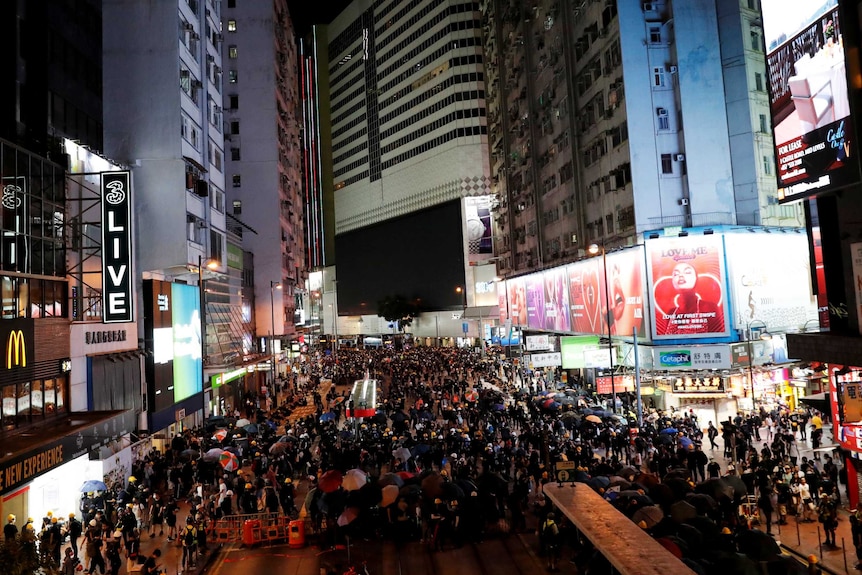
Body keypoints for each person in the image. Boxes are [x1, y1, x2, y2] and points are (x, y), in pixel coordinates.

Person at [662, 262, 725, 335]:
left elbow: (719, 337)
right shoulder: (670, 313)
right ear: (672, 281)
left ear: (696, 278)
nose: (681, 276)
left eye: (687, 272)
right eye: (676, 274)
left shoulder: (709, 308)